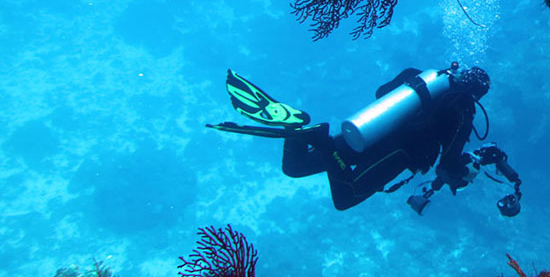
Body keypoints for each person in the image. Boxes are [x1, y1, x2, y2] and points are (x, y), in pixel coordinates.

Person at [207, 63, 522, 216]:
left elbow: (382, 94)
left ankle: (299, 129)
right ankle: (318, 137)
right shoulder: (462, 111)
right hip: (395, 155)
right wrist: (463, 170)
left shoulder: (425, 78)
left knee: (295, 167)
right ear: (478, 95)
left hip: (367, 132)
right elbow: (449, 160)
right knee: (346, 198)